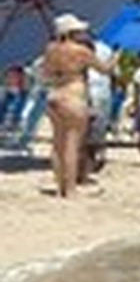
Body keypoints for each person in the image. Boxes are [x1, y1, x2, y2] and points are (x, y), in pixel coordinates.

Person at [41, 14, 118, 198]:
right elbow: (105, 69)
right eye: (78, 31)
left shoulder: (50, 50)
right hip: (74, 95)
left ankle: (60, 187)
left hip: (55, 95)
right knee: (72, 144)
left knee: (57, 144)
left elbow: (45, 74)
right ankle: (70, 189)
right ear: (70, 32)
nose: (82, 33)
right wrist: (116, 57)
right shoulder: (81, 51)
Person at [74, 28, 114, 180]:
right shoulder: (100, 50)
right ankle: (86, 167)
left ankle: (71, 174)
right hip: (95, 92)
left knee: (69, 139)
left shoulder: (57, 50)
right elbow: (107, 70)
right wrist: (115, 57)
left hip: (66, 96)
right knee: (90, 134)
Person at [1, 64, 28, 129]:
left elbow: (22, 115)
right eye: (9, 76)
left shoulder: (24, 96)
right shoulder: (3, 92)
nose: (11, 78)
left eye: (15, 76)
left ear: (20, 77)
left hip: (11, 127)